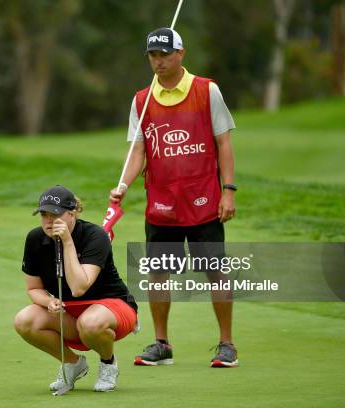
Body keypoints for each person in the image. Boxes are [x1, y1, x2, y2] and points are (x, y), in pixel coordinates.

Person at [109, 27, 239, 368]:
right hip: (162, 204)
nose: (158, 61)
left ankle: (227, 344)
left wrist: (229, 190)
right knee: (158, 273)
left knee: (214, 271)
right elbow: (138, 150)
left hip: (204, 200)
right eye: (153, 55)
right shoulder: (142, 99)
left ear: (181, 53)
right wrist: (123, 185)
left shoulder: (206, 90)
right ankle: (161, 343)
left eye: (164, 54)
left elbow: (223, 143)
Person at [14, 185, 138, 393]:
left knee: (90, 322)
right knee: (24, 320)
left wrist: (67, 242)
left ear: (72, 214)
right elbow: (34, 288)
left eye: (55, 214)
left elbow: (79, 287)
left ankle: (108, 363)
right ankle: (73, 363)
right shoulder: (35, 239)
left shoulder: (95, 236)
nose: (49, 221)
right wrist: (48, 301)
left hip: (112, 306)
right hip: (69, 310)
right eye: (44, 214)